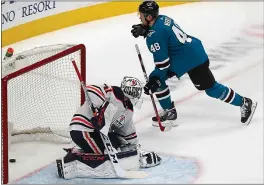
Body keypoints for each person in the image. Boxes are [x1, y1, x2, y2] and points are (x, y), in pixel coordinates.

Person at [131, 1, 257, 127]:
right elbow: (162, 32)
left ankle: (245, 102)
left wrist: (155, 81)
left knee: (211, 89)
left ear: (148, 17)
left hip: (192, 60)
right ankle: (170, 112)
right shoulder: (163, 19)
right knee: (156, 78)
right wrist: (146, 30)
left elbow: (163, 64)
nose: (139, 17)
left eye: (141, 15)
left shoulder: (154, 37)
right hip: (188, 53)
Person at [56, 76, 161, 179]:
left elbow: (128, 132)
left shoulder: (128, 110)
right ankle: (71, 162)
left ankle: (81, 151)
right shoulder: (110, 92)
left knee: (117, 144)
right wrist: (98, 109)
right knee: (106, 158)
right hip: (82, 129)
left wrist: (137, 151)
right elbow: (91, 90)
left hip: (99, 133)